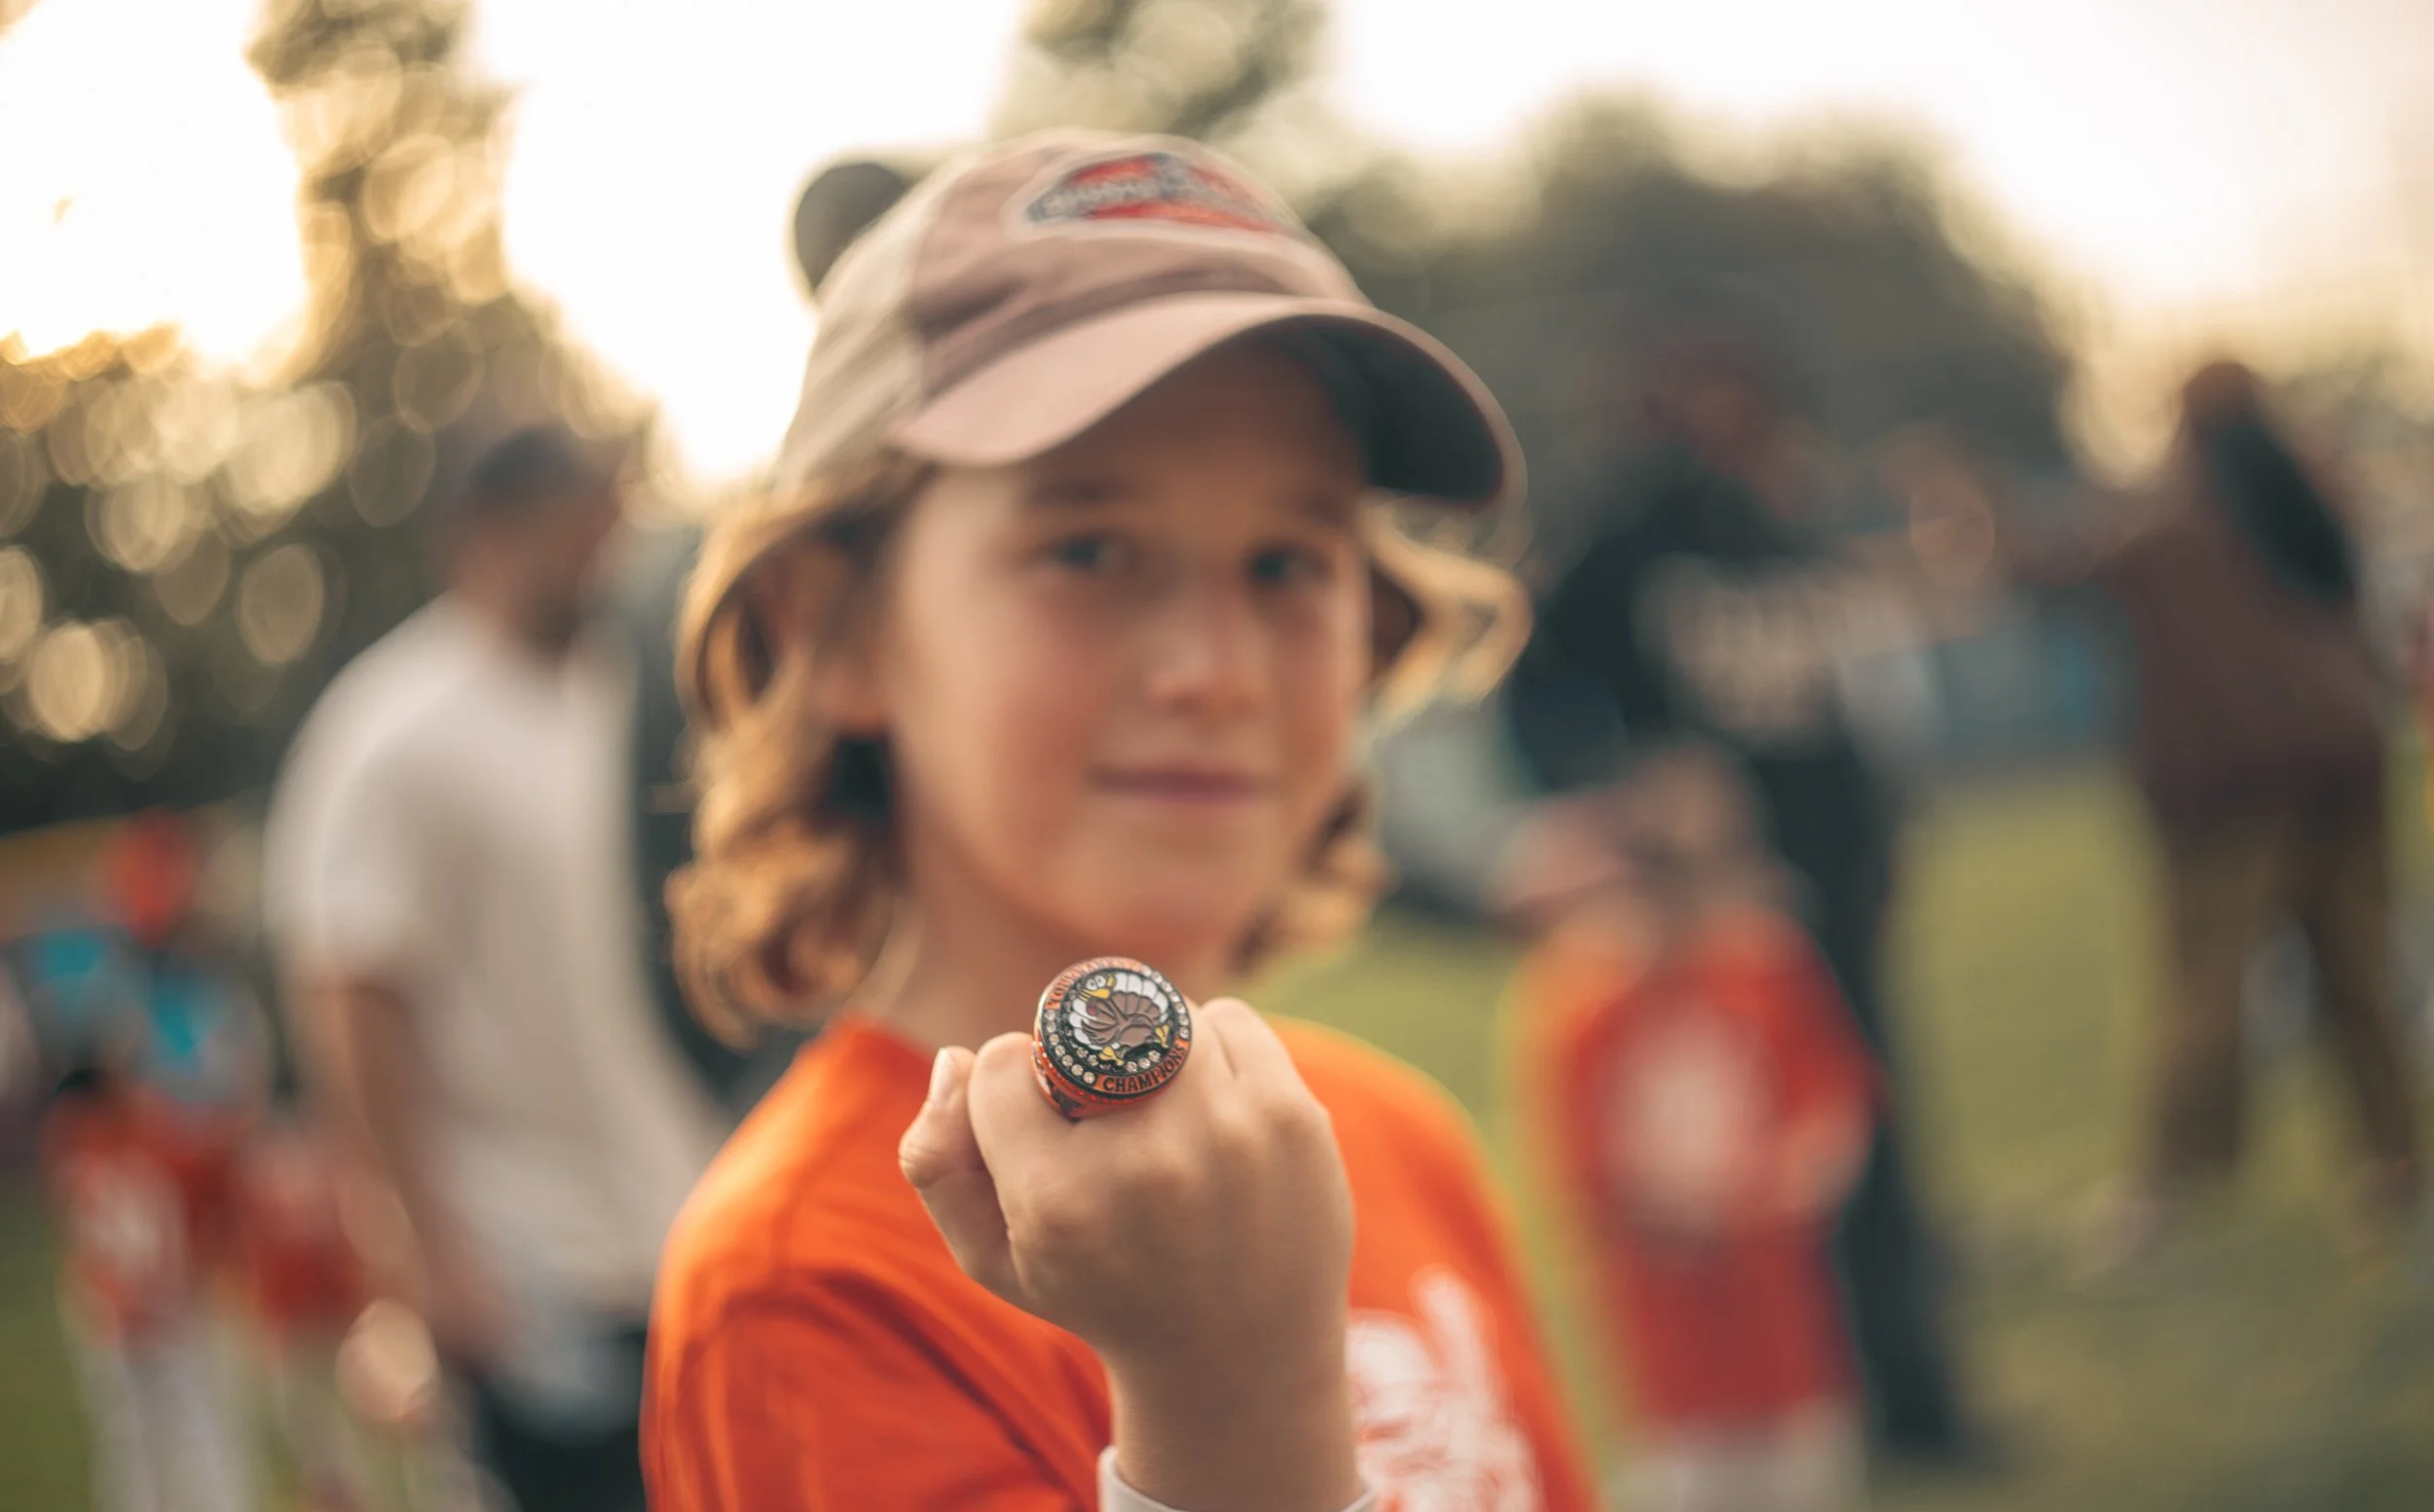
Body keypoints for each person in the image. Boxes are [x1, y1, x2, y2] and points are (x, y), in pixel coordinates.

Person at [643, 130, 1596, 1512]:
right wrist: (1224, 1405)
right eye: (1088, 549)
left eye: (1288, 561)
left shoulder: (1397, 1140)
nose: (1210, 668)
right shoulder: (808, 1285)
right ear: (832, 628)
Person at [1504, 333, 1973, 1457]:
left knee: (1857, 1136)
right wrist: (1622, 790)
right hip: (1699, 914)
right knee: (1714, 1165)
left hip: (1822, 886)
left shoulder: (1792, 525)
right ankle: (1731, 1419)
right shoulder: (1623, 538)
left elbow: (1847, 703)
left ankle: (1904, 1403)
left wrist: (1873, 841)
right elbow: (1537, 691)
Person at [263, 425, 727, 1512]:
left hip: (671, 1218)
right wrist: (430, 1246)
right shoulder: (394, 730)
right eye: (582, 524)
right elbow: (348, 990)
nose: (607, 549)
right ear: (489, 532)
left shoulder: (613, 700)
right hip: (529, 1261)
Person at [2024, 360, 2420, 1264]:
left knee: (2202, 991)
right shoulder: (2314, 493)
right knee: (2359, 980)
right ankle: (2397, 1164)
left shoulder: (2175, 516)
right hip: (2343, 764)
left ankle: (2168, 1191)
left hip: (2233, 789)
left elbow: (2058, 568)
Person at [1500, 750, 1873, 1512]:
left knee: (1800, 1460)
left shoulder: (1762, 965)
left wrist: (1796, 1176)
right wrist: (1661, 1205)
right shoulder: (1581, 1002)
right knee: (1695, 1470)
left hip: (1775, 1295)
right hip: (1667, 1306)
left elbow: (1831, 1102)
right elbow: (1580, 1164)